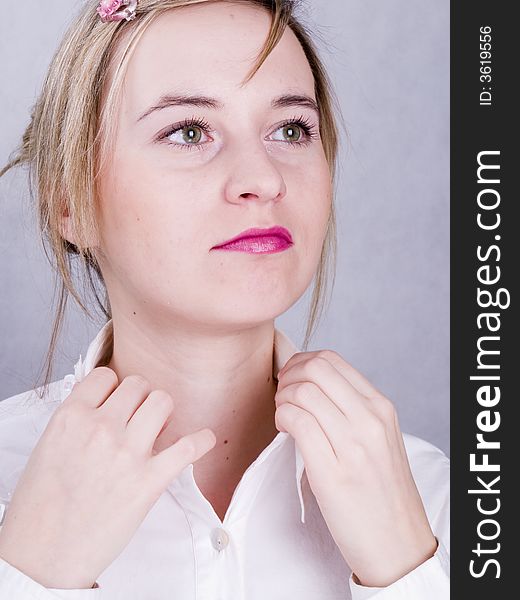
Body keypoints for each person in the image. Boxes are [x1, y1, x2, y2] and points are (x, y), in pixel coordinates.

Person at [0, 0, 450, 598]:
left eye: (291, 129)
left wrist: (408, 575)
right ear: (70, 202)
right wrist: (30, 576)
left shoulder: (434, 498)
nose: (264, 179)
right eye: (188, 132)